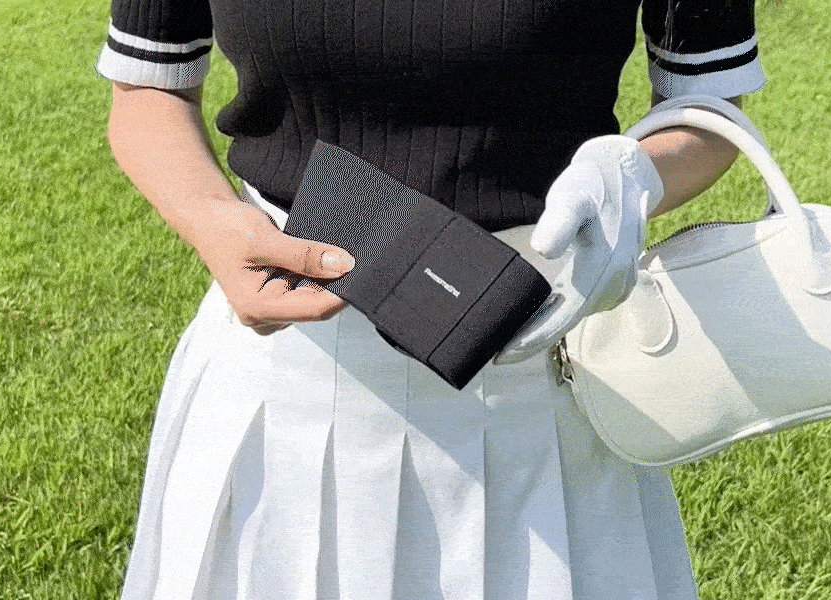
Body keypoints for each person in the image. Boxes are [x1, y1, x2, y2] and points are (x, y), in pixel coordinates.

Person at [97, 0, 764, 597]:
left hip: (543, 369)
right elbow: (147, 88)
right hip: (285, 382)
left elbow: (706, 102)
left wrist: (632, 175)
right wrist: (214, 221)